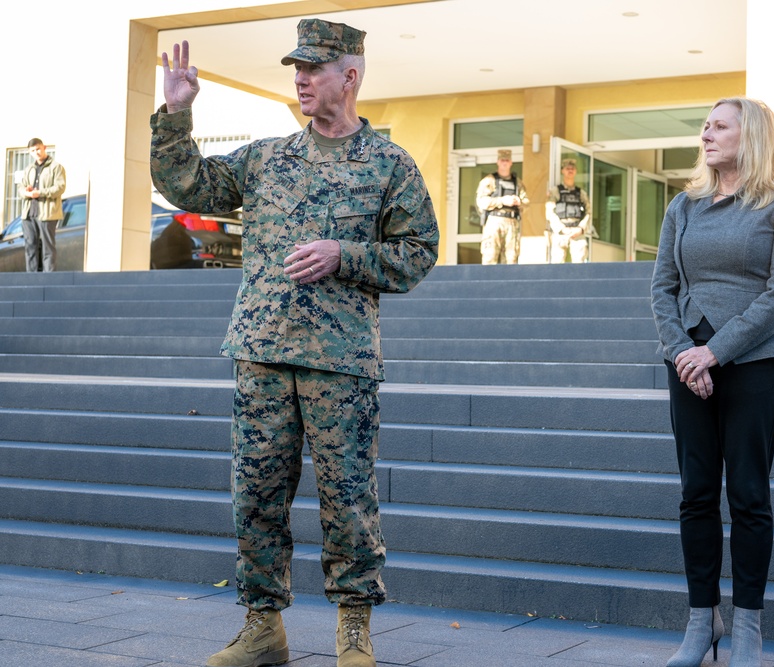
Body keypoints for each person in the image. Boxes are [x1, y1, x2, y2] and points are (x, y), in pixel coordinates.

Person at [151, 19, 439, 667]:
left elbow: (418, 254)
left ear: (350, 76)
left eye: (314, 68)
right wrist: (175, 114)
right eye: (297, 69)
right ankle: (262, 626)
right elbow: (188, 186)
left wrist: (347, 253)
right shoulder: (267, 157)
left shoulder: (389, 165)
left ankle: (354, 630)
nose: (302, 79)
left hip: (341, 361)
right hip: (261, 349)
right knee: (255, 494)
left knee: (348, 497)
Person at [650, 97, 774, 667]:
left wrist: (714, 352)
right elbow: (662, 287)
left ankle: (747, 630)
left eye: (719, 126)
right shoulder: (683, 205)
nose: (705, 134)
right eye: (705, 126)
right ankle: (701, 623)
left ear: (752, 135)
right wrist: (682, 354)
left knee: (747, 495)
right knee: (695, 494)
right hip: (686, 363)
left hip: (754, 364)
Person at [18, 138, 66, 272]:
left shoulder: (56, 167)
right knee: (30, 247)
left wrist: (41, 193)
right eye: (33, 151)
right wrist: (26, 192)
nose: (36, 152)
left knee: (48, 247)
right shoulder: (29, 169)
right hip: (29, 213)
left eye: (38, 149)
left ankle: (48, 278)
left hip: (47, 213)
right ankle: (31, 279)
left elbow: (60, 187)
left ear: (44, 147)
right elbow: (21, 187)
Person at [476, 148, 528, 264]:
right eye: (502, 160)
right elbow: (481, 201)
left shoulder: (517, 183)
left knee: (511, 259)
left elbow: (526, 202)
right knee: (490, 258)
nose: (504, 162)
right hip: (494, 221)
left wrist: (519, 202)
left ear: (511, 162)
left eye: (507, 160)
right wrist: (502, 201)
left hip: (512, 222)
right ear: (498, 162)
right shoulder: (489, 180)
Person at [545, 158, 592, 263]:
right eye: (567, 168)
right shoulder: (555, 191)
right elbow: (549, 212)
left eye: (572, 168)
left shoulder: (581, 193)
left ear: (575, 171)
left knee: (579, 266)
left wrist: (580, 229)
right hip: (560, 233)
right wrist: (562, 229)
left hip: (577, 233)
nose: (570, 171)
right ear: (562, 170)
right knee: (557, 266)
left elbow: (588, 212)